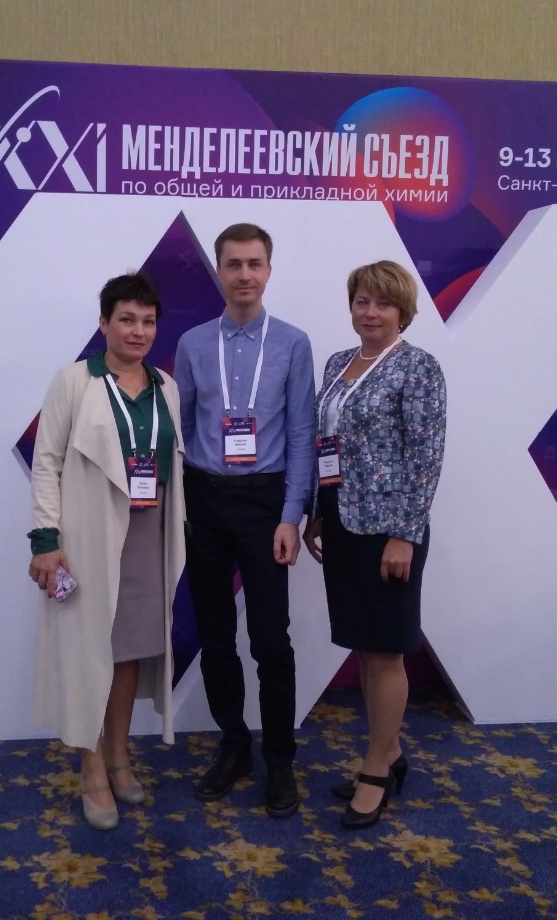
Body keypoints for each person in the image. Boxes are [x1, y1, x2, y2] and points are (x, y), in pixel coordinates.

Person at [28, 273, 186, 830]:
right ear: (104, 323)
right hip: (88, 536)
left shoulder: (165, 386)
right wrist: (46, 541)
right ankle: (92, 767)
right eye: (126, 319)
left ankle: (118, 755)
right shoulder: (75, 380)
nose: (138, 331)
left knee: (128, 650)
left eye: (148, 321)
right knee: (89, 650)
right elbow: (46, 462)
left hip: (147, 535)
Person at [174, 223, 316, 818]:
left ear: (269, 270)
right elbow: (180, 428)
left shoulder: (293, 343)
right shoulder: (191, 344)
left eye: (255, 264)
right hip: (204, 500)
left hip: (265, 504)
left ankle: (279, 759)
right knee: (214, 636)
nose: (244, 275)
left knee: (270, 640)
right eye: (233, 264)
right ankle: (233, 744)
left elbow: (304, 434)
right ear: (219, 271)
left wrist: (291, 515)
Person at [302, 260, 446, 830]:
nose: (371, 312)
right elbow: (325, 443)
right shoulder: (338, 363)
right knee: (365, 647)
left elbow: (425, 457)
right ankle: (389, 752)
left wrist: (405, 535)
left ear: (402, 311)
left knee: (386, 652)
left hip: (389, 532)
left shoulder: (418, 367)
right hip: (342, 522)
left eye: (383, 303)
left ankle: (377, 771)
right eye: (362, 301)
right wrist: (317, 513)